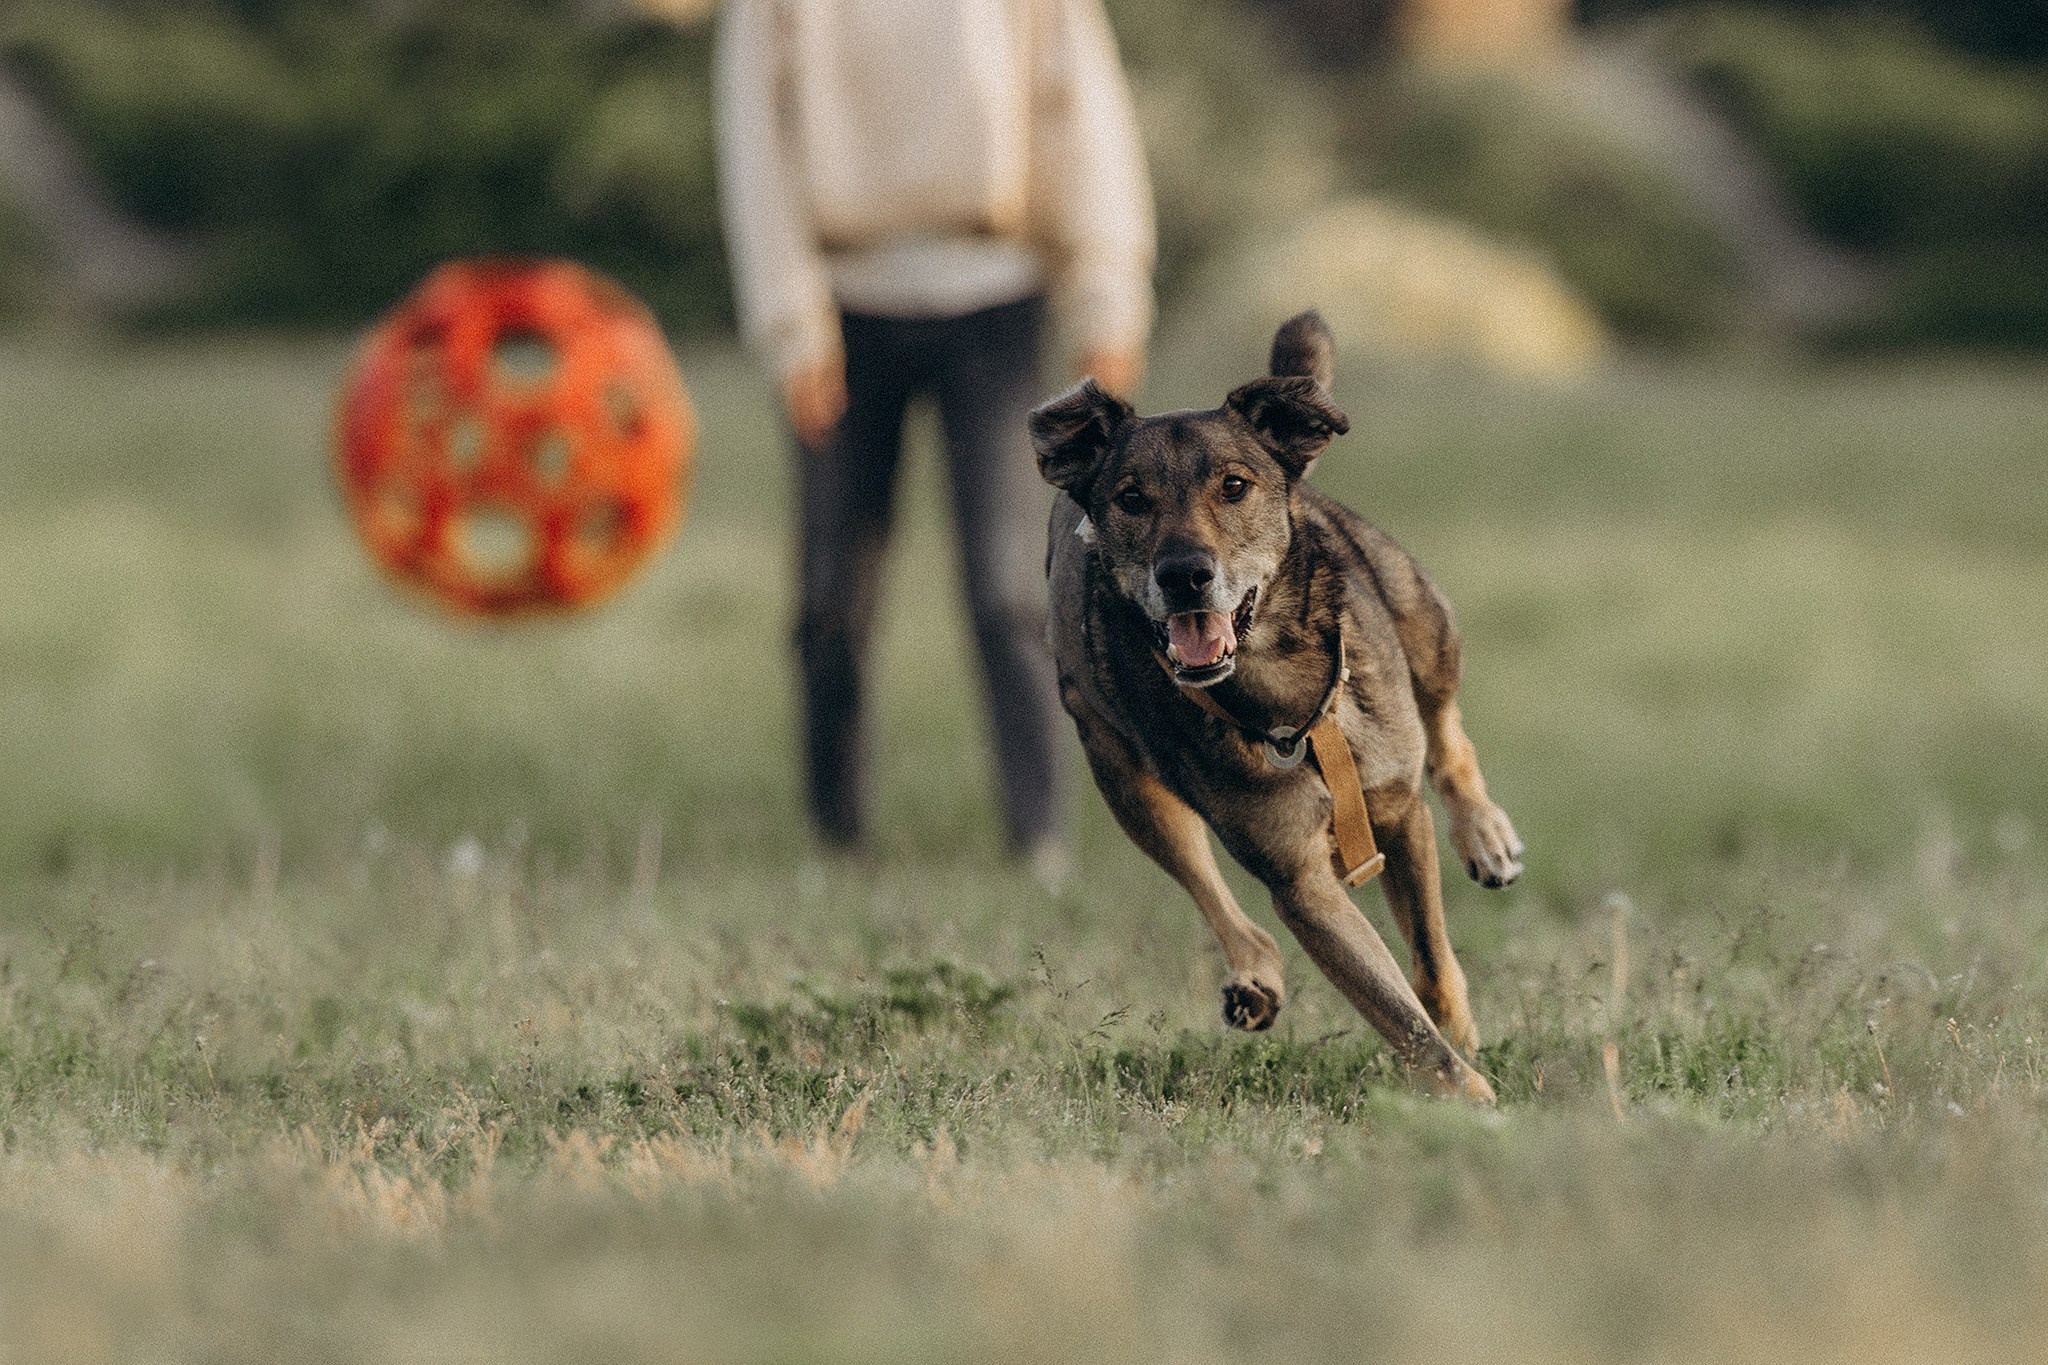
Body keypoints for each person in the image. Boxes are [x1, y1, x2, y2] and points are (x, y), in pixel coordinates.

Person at [714, 0, 1155, 878]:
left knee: (1007, 584)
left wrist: (1106, 295)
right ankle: (836, 839)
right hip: (840, 303)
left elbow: (1080, 111)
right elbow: (757, 132)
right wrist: (791, 323)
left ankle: (1039, 837)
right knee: (833, 589)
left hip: (995, 296)